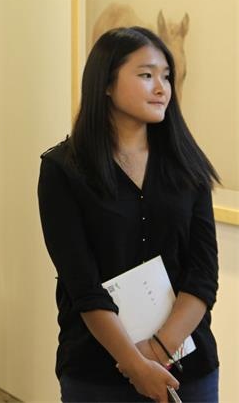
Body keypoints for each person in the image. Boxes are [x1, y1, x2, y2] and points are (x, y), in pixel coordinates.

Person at [37, 26, 220, 403]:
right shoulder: (63, 170)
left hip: (188, 368)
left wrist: (156, 352)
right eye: (146, 75)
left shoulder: (188, 166)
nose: (162, 88)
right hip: (97, 371)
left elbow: (203, 276)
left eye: (166, 76)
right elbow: (83, 286)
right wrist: (134, 364)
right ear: (106, 83)